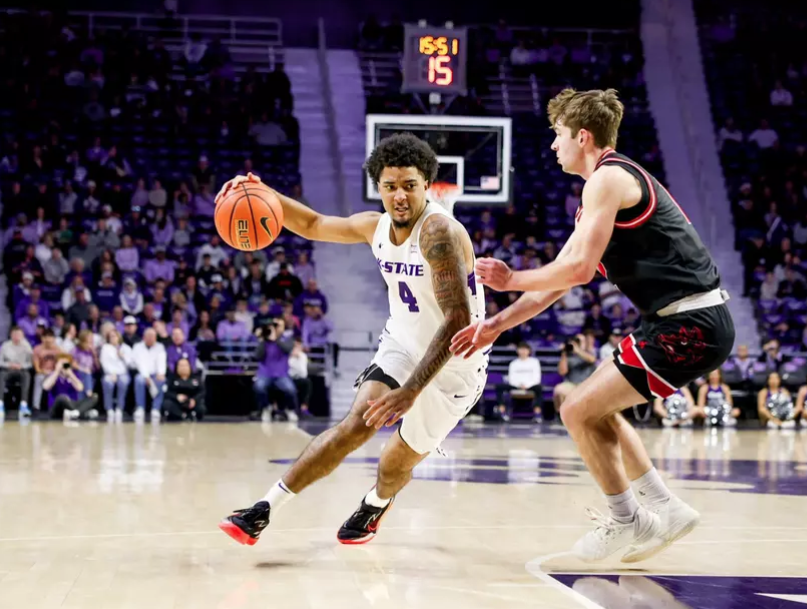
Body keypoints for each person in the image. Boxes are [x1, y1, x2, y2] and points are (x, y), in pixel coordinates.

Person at [452, 88, 735, 563]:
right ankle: (663, 508)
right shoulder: (599, 197)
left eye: (557, 135)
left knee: (577, 411)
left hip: (691, 322)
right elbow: (558, 282)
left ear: (583, 136)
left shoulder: (608, 179)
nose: (552, 146)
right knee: (582, 405)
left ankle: (629, 519)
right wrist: (497, 324)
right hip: (675, 321)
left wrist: (511, 278)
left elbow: (579, 270)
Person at [217, 133, 488, 546]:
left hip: (455, 367)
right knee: (356, 423)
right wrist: (257, 191)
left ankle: (376, 503)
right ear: (377, 186)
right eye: (390, 186)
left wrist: (412, 391)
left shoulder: (438, 234)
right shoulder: (373, 227)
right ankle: (263, 509)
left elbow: (456, 319)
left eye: (409, 186)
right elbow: (311, 224)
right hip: (403, 343)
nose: (399, 196)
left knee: (394, 464)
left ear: (426, 186)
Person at [495, 341, 543, 422]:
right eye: (521, 349)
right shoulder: (513, 363)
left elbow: (537, 378)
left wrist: (526, 385)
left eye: (525, 349)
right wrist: (519, 385)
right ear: (517, 351)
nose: (523, 351)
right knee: (499, 387)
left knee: (539, 388)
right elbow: (511, 378)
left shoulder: (535, 362)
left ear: (529, 351)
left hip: (530, 385)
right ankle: (502, 412)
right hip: (516, 385)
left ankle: (537, 414)